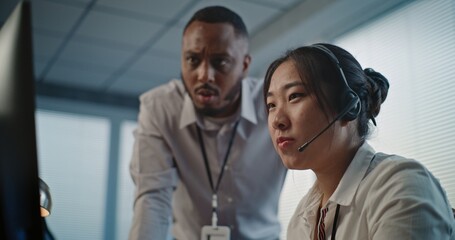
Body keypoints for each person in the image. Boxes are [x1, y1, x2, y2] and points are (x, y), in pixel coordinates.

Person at [263, 43, 455, 239]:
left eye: (294, 96)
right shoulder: (302, 218)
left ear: (348, 105)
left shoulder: (401, 187)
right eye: (271, 105)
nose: (277, 121)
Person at [129, 6, 287, 240]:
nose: (204, 75)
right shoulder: (160, 108)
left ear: (244, 66)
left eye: (220, 62)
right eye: (193, 59)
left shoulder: (273, 104)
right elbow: (153, 199)